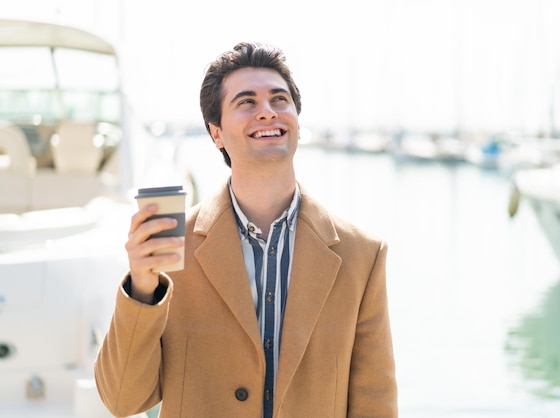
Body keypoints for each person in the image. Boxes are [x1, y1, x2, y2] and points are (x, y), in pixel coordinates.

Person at [95, 41, 397, 418]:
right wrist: (141, 287)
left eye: (279, 100)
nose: (267, 113)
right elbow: (122, 399)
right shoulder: (172, 247)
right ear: (216, 132)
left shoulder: (361, 253)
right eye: (247, 102)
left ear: (297, 122)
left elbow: (375, 401)